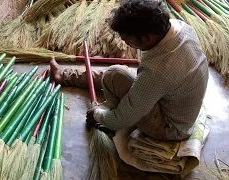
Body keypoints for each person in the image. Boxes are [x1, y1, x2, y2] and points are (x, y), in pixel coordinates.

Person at [50, 0, 208, 141]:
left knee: (113, 76)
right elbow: (150, 78)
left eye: (128, 40)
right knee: (120, 75)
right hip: (173, 102)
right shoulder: (180, 27)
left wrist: (97, 114)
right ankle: (65, 75)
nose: (127, 45)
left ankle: (110, 121)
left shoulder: (158, 70)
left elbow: (122, 119)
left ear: (147, 37)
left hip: (170, 128)